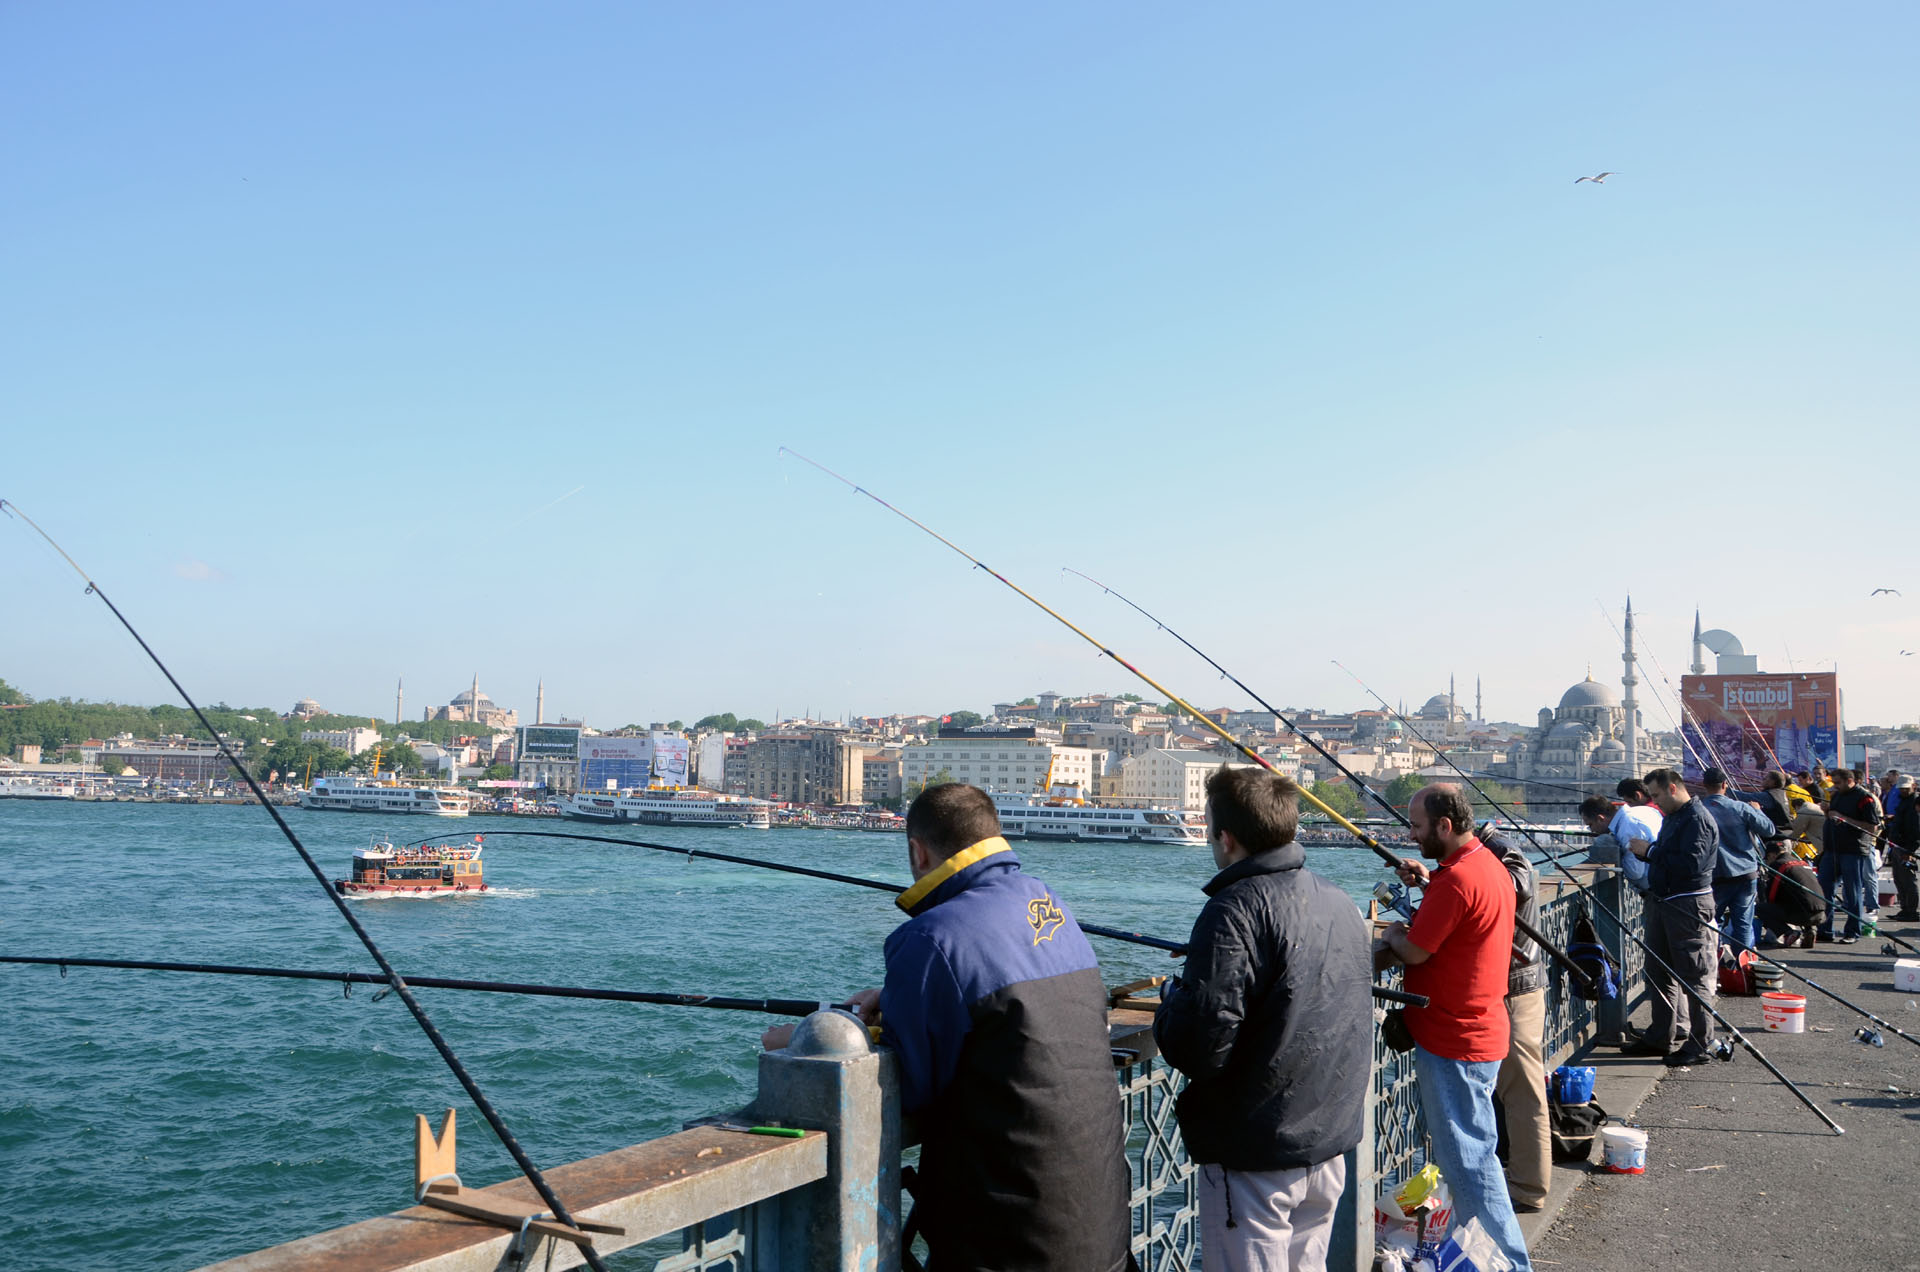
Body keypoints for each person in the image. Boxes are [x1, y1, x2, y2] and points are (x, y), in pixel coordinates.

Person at [768, 783, 1131, 1272]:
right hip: (1098, 1221)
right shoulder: (1049, 904)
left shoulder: (929, 937)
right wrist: (896, 1001)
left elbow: (911, 1089)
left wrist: (807, 1040)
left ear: (919, 852)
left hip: (1010, 1238)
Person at [1155, 767, 1372, 1272]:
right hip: (1329, 1139)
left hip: (1258, 1152)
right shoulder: (1337, 900)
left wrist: (1173, 1002)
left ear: (1225, 838)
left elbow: (1201, 1044)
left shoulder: (1235, 909)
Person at [1377, 784, 1531, 1272]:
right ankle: (1471, 1257)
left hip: (1454, 1039)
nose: (1412, 835)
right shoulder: (1486, 866)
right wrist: (1429, 883)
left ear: (1445, 826)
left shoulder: (1457, 881)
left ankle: (1509, 1262)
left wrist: (1393, 934)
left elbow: (1417, 950)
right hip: (1480, 1029)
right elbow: (1462, 910)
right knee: (1470, 1157)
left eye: (1418, 827)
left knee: (1471, 1166)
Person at [1629, 769, 1720, 1067]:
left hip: (1687, 905)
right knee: (1658, 971)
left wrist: (1650, 851)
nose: (1654, 803)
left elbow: (1691, 865)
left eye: (1656, 796)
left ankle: (1700, 1043)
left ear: (1672, 788)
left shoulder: (1697, 819)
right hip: (1665, 901)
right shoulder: (1675, 816)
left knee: (1694, 976)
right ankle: (1660, 1036)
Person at [1482, 825, 1549, 1215]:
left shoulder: (1507, 858)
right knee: (1510, 1091)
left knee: (1523, 1093)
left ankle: (1527, 1189)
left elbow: (1512, 885)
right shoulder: (1496, 856)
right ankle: (1513, 1174)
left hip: (1516, 990)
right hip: (1510, 989)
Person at [1697, 767, 1785, 953]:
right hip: (1745, 873)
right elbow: (1769, 830)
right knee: (1743, 923)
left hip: (1715, 875)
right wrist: (1758, 811)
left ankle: (1715, 965)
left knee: (1713, 923)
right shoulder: (1740, 807)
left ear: (1704, 785)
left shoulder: (1697, 810)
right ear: (1725, 785)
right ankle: (1741, 966)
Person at [1818, 767, 1881, 944]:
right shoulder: (1837, 795)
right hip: (1832, 850)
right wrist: (1827, 811)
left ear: (1850, 781)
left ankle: (1852, 931)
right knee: (1825, 890)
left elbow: (1872, 826)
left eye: (1838, 783)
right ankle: (1825, 930)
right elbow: (1834, 818)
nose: (1835, 786)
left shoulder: (1864, 798)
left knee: (1852, 893)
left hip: (1853, 851)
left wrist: (1843, 818)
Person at [1756, 844, 1826, 949]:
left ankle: (1788, 932)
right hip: (1821, 913)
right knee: (1802, 898)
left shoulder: (1778, 865)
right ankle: (1810, 929)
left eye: (1767, 858)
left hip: (1803, 914)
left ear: (1772, 855)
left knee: (1759, 909)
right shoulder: (1802, 862)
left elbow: (1771, 895)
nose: (1767, 862)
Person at [1888, 774, 1920, 922]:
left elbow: (1916, 830)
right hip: (1897, 845)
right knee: (1899, 879)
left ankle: (1912, 911)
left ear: (1913, 786)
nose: (1903, 791)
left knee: (1908, 880)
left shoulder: (1914, 803)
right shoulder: (1904, 801)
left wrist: (1910, 851)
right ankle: (1905, 909)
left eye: (1906, 789)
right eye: (1901, 789)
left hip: (1906, 848)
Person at [1577, 796, 1622, 866]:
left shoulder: (1626, 828)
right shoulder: (1622, 823)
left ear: (1600, 819)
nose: (1592, 830)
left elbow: (1636, 873)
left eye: (1590, 825)